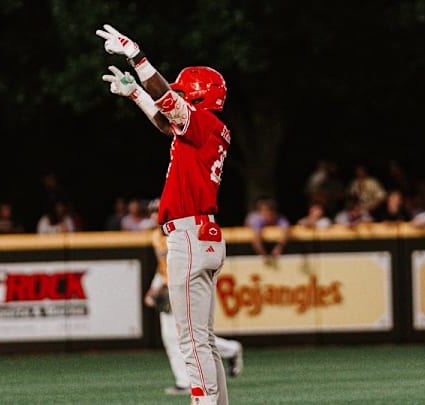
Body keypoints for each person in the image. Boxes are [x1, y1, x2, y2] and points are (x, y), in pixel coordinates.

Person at [98, 24, 231, 404]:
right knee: (204, 340)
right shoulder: (211, 128)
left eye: (183, 92)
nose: (176, 95)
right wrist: (136, 93)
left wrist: (136, 56)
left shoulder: (201, 122)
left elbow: (167, 101)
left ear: (197, 96)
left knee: (190, 342)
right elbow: (164, 120)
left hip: (188, 236)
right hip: (204, 233)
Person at [144, 202, 243, 396]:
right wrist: (154, 287)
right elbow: (162, 265)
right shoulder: (156, 236)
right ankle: (184, 381)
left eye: (157, 211)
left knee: (192, 335)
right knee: (172, 336)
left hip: (181, 283)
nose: (155, 215)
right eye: (152, 212)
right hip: (168, 284)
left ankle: (230, 349)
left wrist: (170, 286)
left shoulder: (178, 231)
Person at [246, 197, 291, 266]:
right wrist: (264, 255)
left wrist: (279, 247)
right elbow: (256, 239)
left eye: (270, 214)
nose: (268, 216)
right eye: (265, 213)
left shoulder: (280, 218)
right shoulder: (257, 219)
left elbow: (286, 231)